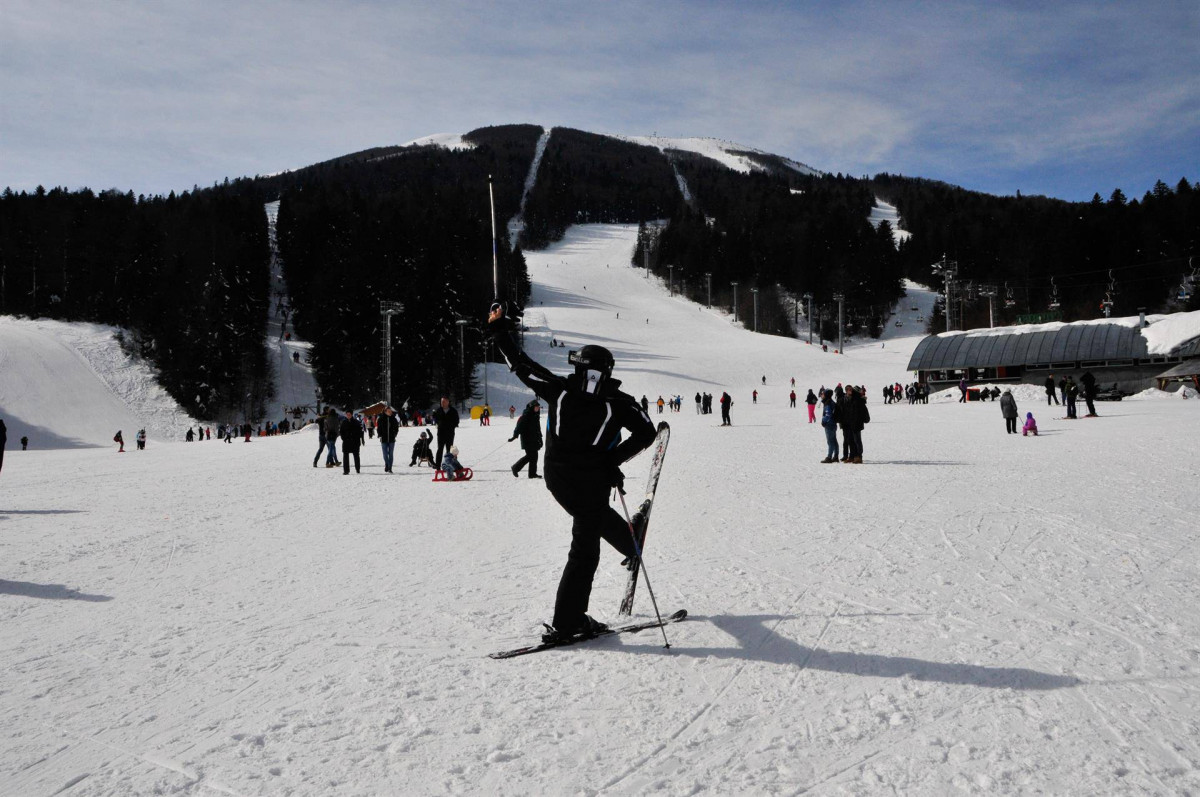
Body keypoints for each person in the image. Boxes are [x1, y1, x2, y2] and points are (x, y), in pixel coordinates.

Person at [488, 301, 657, 642]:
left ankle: (628, 543)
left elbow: (520, 364)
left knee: (589, 522)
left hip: (560, 480)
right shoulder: (618, 402)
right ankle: (569, 621)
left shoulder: (560, 390)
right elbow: (647, 432)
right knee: (585, 546)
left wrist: (498, 329)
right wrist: (614, 460)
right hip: (592, 481)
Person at [509, 401, 543, 479]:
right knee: (530, 456)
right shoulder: (526, 415)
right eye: (536, 407)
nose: (538, 408)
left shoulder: (535, 415)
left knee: (534, 456)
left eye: (538, 407)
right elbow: (519, 426)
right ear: (532, 407)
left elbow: (537, 429)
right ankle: (515, 467)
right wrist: (515, 436)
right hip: (527, 440)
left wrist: (540, 438)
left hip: (534, 439)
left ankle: (532, 474)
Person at [841, 385, 870, 463]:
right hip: (850, 423)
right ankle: (852, 456)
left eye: (851, 390)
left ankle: (858, 456)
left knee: (857, 440)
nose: (850, 391)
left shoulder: (857, 400)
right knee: (850, 440)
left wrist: (862, 420)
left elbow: (861, 412)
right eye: (848, 390)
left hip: (857, 423)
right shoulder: (850, 399)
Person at [432, 396, 459, 465]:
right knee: (440, 449)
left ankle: (449, 464)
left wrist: (451, 426)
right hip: (441, 433)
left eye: (443, 401)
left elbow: (457, 421)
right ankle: (438, 465)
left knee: (449, 450)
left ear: (448, 402)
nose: (442, 403)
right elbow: (436, 420)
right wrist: (437, 422)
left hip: (450, 433)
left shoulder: (453, 411)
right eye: (441, 402)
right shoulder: (439, 410)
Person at [819, 390, 839, 463]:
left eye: (822, 394)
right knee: (834, 440)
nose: (821, 395)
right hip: (833, 424)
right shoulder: (831, 402)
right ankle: (836, 456)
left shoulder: (827, 403)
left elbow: (828, 414)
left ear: (826, 395)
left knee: (830, 441)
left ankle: (829, 457)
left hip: (829, 424)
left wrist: (824, 421)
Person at [378, 406, 399, 472]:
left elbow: (396, 428)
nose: (390, 412)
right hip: (384, 439)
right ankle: (387, 464)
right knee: (385, 454)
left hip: (391, 439)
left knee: (391, 453)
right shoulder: (381, 419)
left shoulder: (393, 419)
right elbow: (379, 428)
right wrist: (380, 435)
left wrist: (395, 434)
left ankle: (390, 467)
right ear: (385, 411)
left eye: (391, 411)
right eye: (389, 411)